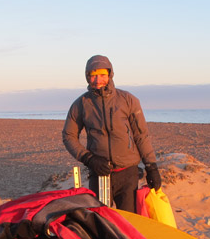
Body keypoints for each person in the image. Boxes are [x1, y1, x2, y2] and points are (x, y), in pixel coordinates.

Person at [62, 54, 161, 212]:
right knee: (102, 222)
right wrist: (89, 158)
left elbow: (141, 135)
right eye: (93, 75)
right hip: (99, 173)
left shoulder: (128, 100)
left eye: (102, 75)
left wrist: (151, 167)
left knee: (129, 223)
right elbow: (68, 136)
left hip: (127, 174)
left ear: (110, 74)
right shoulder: (80, 104)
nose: (98, 80)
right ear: (87, 77)